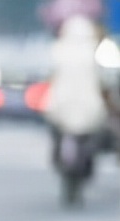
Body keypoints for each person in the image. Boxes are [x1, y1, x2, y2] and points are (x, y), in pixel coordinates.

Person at [44, 15, 109, 183]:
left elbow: (48, 75)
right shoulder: (95, 52)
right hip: (88, 107)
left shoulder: (58, 50)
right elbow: (105, 79)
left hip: (63, 106)